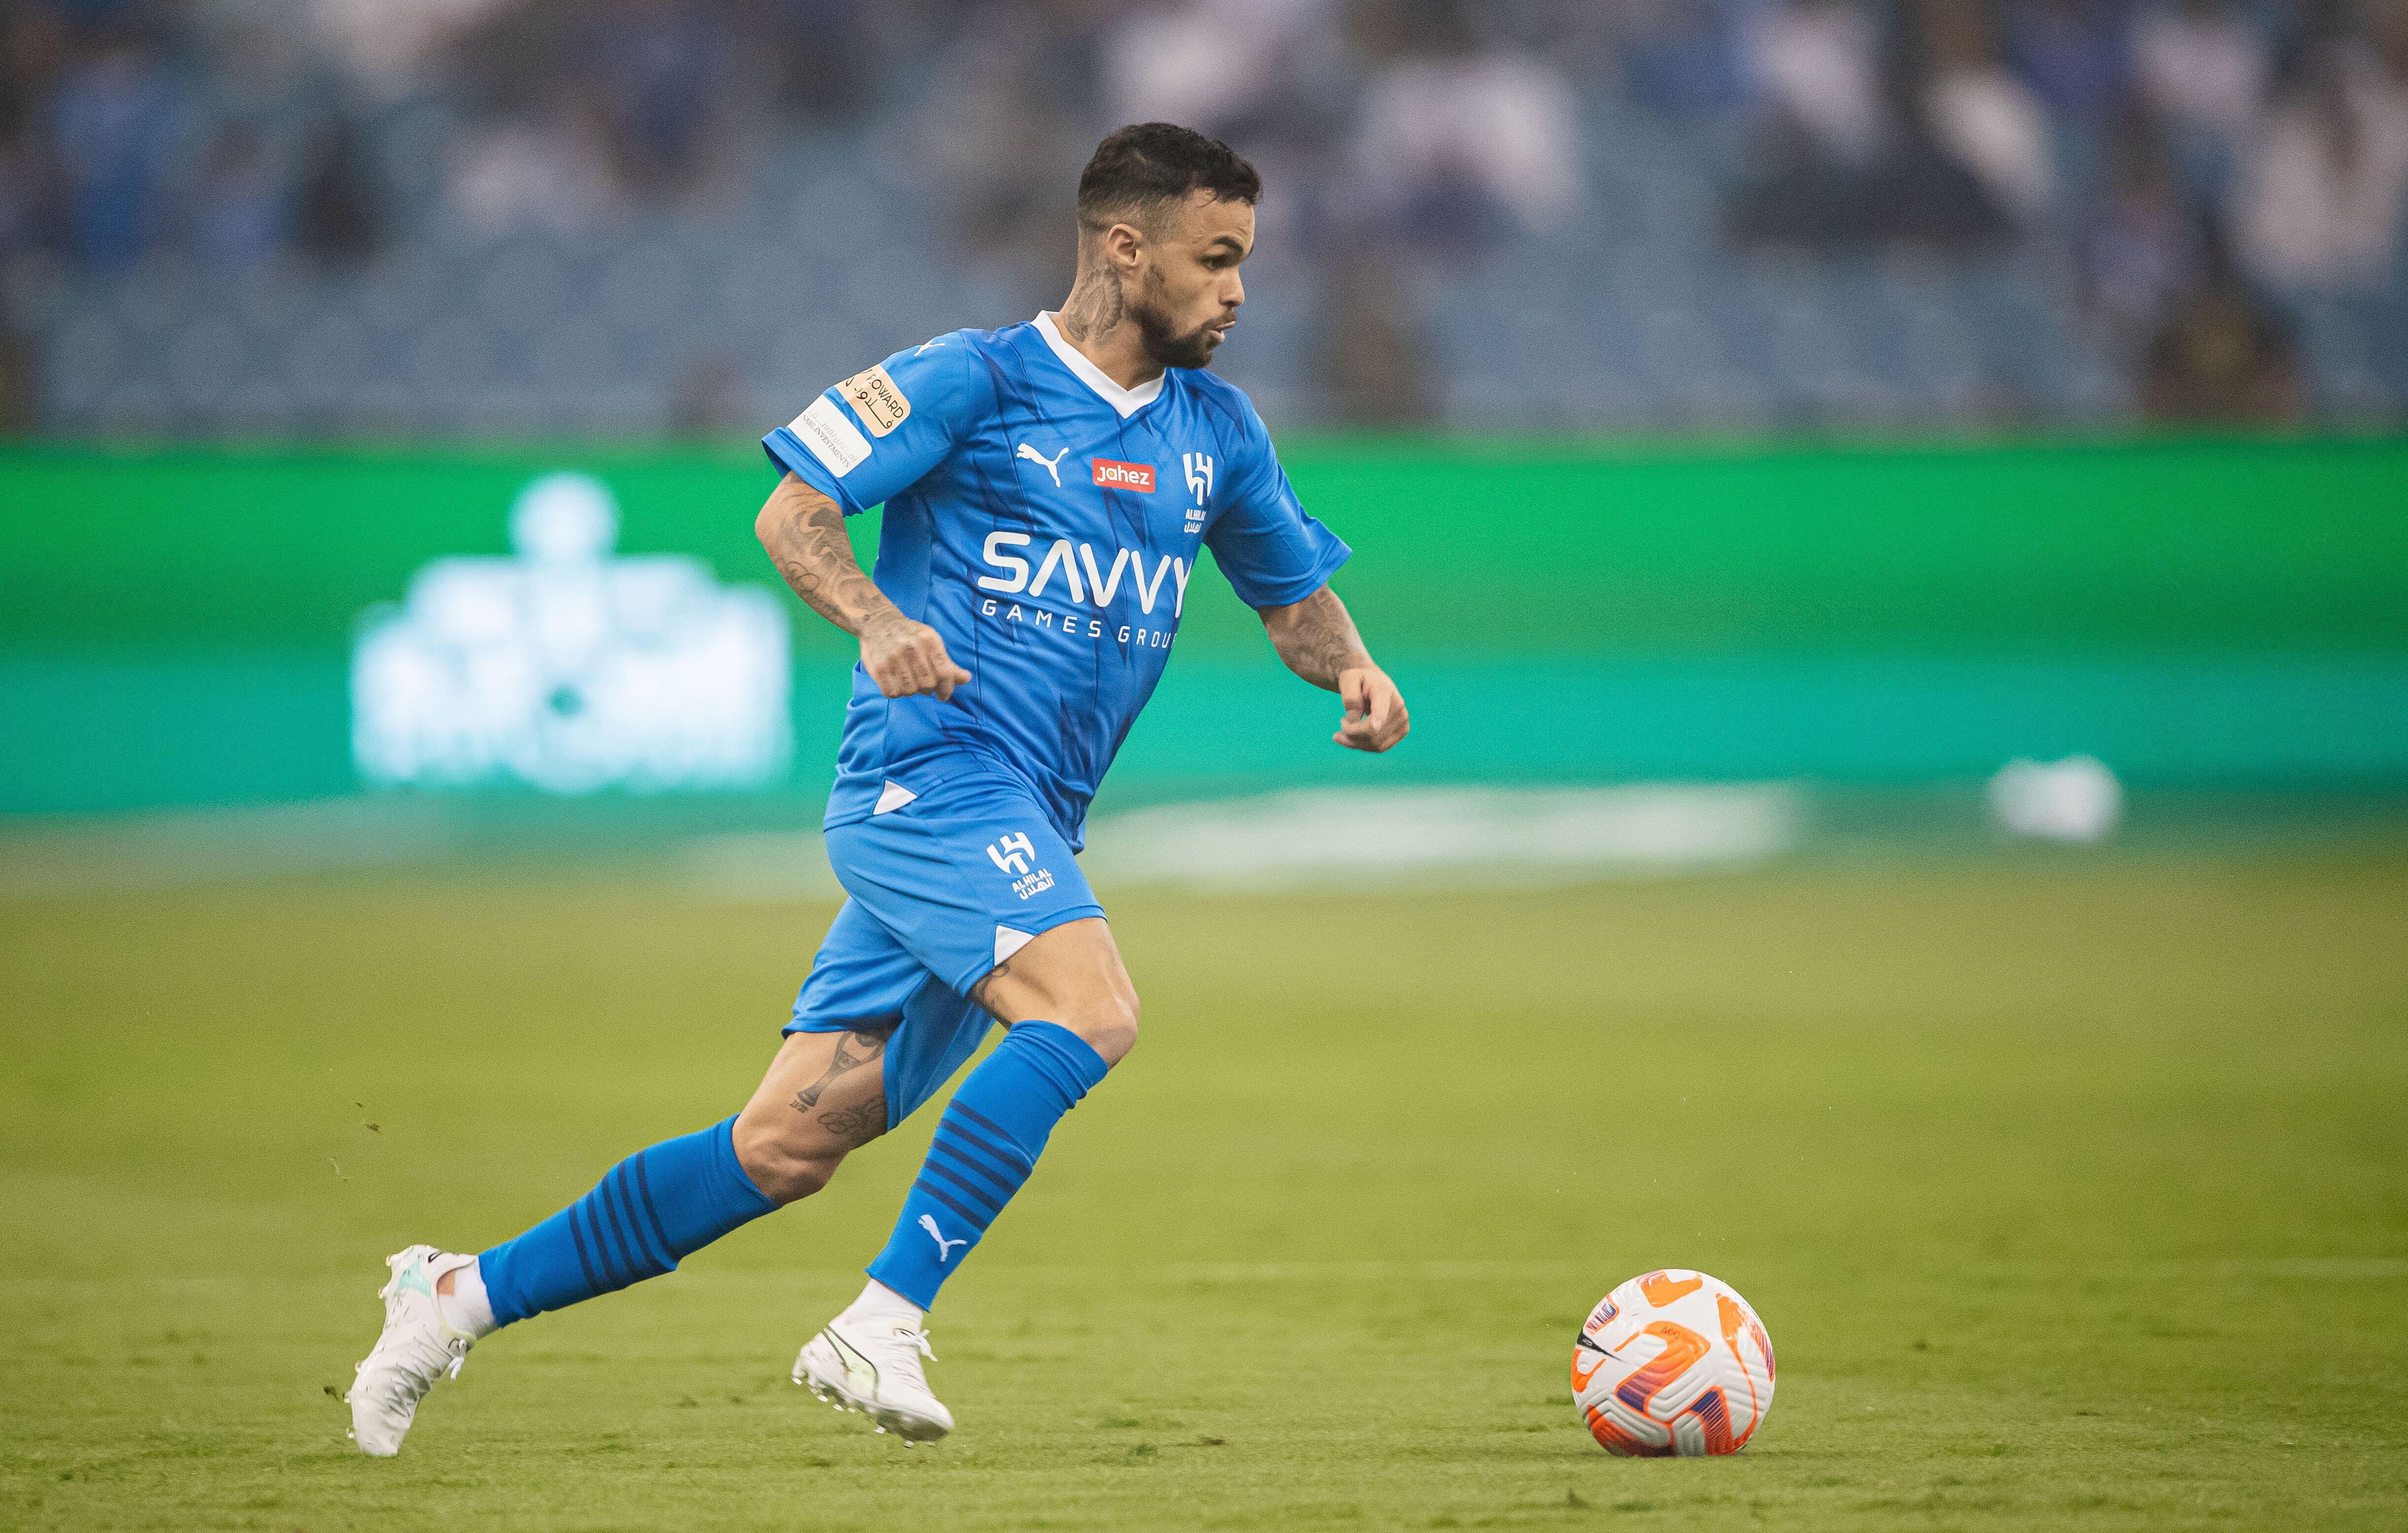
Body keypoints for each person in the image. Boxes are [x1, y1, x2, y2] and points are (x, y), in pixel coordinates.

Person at [344, 122, 1410, 1456]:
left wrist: (1355, 670)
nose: (1240, 290)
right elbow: (792, 513)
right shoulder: (974, 381)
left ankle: (453, 1299)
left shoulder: (1218, 433)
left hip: (1026, 821)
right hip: (931, 783)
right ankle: (882, 1319)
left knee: (787, 1146)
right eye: (1216, 259)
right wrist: (874, 621)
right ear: (1125, 248)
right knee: (1092, 1012)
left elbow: (1290, 596)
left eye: (1247, 261)